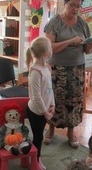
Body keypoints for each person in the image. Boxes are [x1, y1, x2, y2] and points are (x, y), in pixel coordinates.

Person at [43, 0, 92, 149]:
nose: (75, 9)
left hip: (77, 69)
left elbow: (86, 50)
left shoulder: (83, 24)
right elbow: (49, 48)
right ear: (64, 4)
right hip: (56, 69)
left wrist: (90, 46)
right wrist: (69, 42)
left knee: (74, 101)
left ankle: (71, 133)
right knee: (54, 100)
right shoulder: (54, 22)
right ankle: (51, 130)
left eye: (78, 6)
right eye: (72, 5)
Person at [26, 36, 55, 170]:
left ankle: (35, 157)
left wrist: (52, 104)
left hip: (44, 111)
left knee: (39, 136)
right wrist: (45, 112)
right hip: (36, 112)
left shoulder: (47, 68)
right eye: (51, 48)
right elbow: (36, 96)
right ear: (45, 53)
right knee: (38, 137)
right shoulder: (35, 72)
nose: (52, 50)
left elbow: (50, 89)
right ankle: (35, 160)